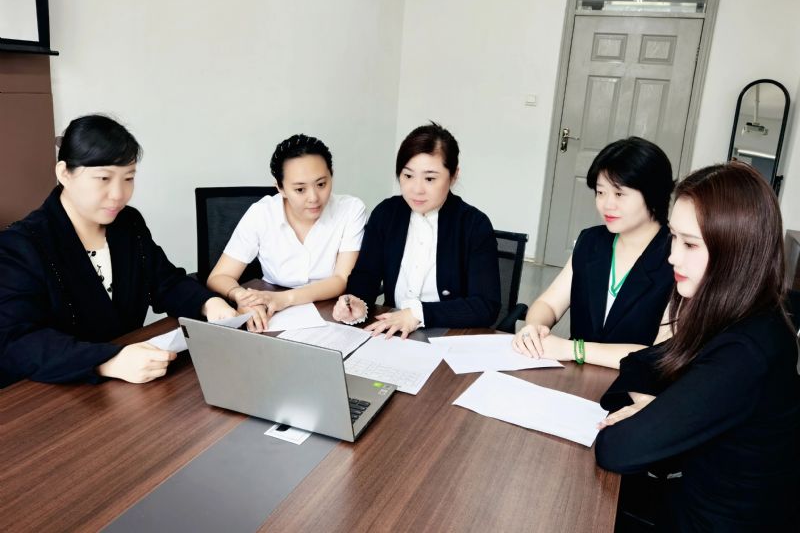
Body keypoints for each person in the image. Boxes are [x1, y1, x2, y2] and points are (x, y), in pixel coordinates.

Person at [595, 161, 800, 531]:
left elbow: (616, 449)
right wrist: (654, 406)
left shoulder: (747, 350)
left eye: (690, 244)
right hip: (692, 496)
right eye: (674, 237)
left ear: (736, 251)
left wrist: (654, 411)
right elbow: (638, 366)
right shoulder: (733, 311)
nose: (673, 256)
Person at [0, 115, 237, 387]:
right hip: (55, 392)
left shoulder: (128, 223)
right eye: (103, 178)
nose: (118, 194)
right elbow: (16, 341)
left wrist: (210, 304)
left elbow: (165, 281)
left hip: (130, 384)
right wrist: (108, 361)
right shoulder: (21, 244)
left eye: (128, 178)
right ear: (64, 173)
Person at [512, 137, 674, 369]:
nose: (606, 205)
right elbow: (549, 303)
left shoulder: (677, 256)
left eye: (619, 194)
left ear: (653, 194)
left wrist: (573, 349)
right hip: (575, 375)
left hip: (634, 384)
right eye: (600, 192)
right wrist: (535, 328)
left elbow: (661, 354)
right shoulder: (591, 241)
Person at [332, 122, 501, 337]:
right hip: (393, 333)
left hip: (451, 336)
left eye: (430, 178)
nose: (416, 189)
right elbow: (366, 276)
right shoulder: (386, 214)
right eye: (408, 176)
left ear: (454, 175)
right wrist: (356, 302)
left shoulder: (474, 225)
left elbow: (486, 306)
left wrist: (417, 314)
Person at [207, 134, 365, 331]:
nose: (314, 198)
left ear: (331, 176)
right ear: (280, 188)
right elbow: (219, 276)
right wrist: (243, 297)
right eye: (300, 189)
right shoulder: (262, 213)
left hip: (331, 313)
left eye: (321, 184)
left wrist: (284, 299)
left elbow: (341, 279)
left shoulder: (350, 210)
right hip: (272, 314)